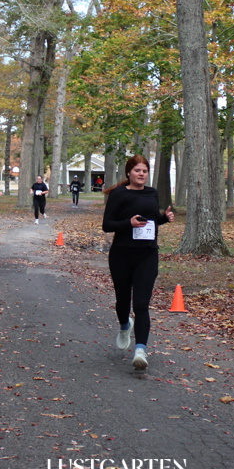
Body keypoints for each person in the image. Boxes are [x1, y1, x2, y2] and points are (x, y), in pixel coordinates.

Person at [101, 155, 174, 370]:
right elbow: (107, 225)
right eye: (137, 170)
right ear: (129, 173)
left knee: (141, 304)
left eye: (144, 171)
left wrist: (164, 218)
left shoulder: (152, 193)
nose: (141, 174)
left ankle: (140, 351)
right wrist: (128, 224)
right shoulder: (119, 194)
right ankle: (125, 325)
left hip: (147, 255)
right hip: (121, 255)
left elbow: (151, 221)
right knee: (123, 302)